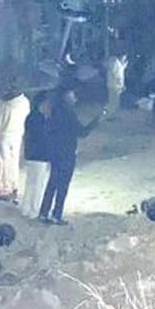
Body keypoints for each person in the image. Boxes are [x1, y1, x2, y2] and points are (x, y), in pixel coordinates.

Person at [38, 87, 98, 225]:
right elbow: (82, 133)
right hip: (67, 154)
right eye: (73, 97)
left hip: (55, 153)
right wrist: (95, 121)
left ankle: (44, 212)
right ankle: (56, 214)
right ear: (67, 98)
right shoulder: (69, 114)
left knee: (52, 183)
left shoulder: (54, 112)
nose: (75, 99)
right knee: (62, 186)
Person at [0, 85, 30, 201]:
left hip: (5, 134)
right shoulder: (25, 102)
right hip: (18, 134)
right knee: (14, 161)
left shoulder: (4, 103)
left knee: (5, 161)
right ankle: (14, 186)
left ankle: (7, 187)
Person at [21, 93, 52, 220]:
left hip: (30, 154)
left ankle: (25, 208)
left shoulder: (30, 117)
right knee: (38, 184)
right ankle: (34, 210)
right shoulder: (42, 119)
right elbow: (44, 138)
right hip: (40, 155)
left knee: (30, 182)